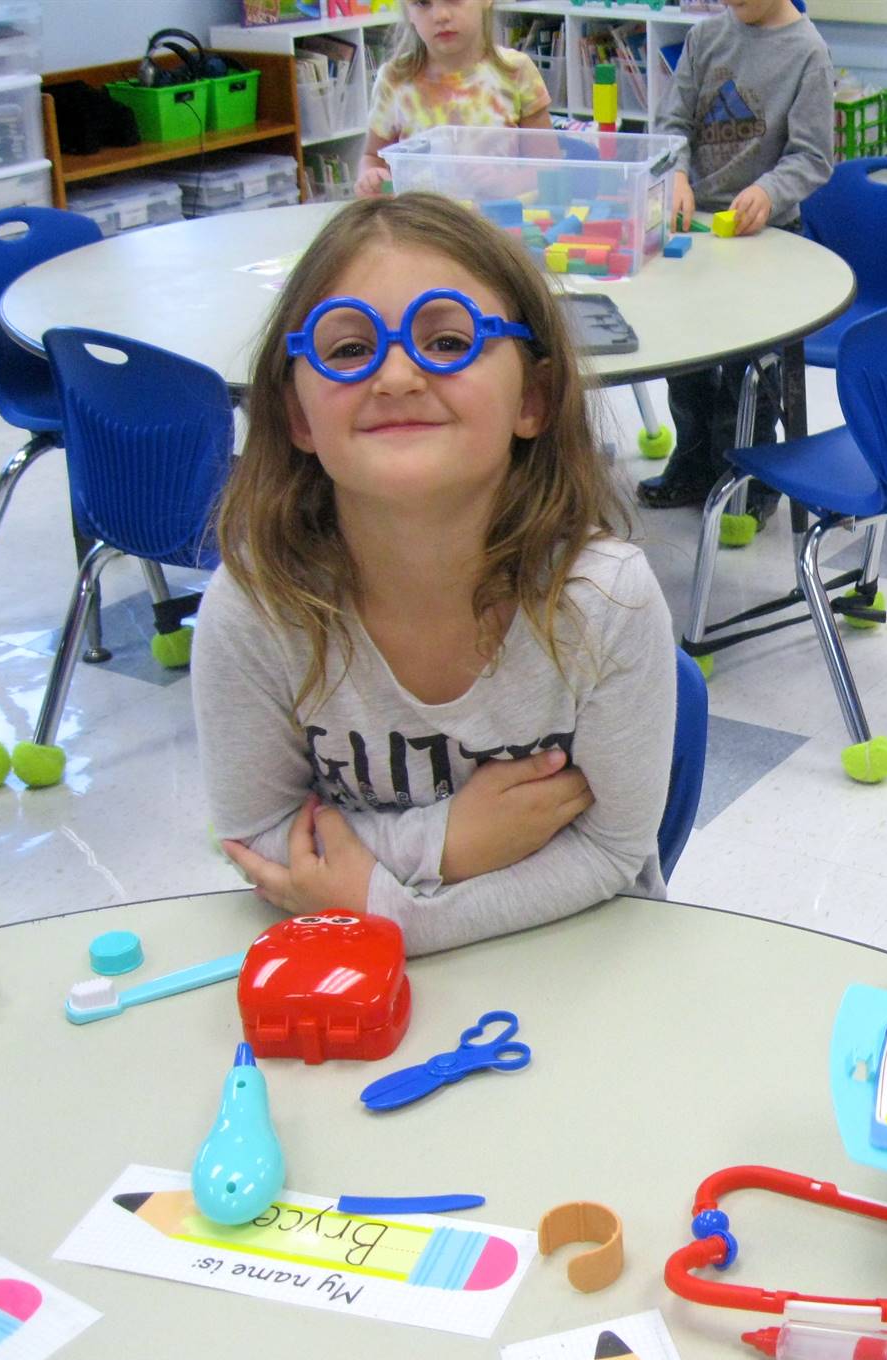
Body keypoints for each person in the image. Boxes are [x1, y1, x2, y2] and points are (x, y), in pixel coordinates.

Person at [195, 193, 676, 956]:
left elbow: (613, 852)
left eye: (448, 340)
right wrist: (447, 844)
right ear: (297, 417)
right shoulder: (257, 608)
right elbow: (260, 840)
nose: (395, 375)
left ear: (534, 398)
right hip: (351, 987)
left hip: (578, 966)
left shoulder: (606, 600)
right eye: (348, 350)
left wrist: (389, 914)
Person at [637, 0, 833, 512]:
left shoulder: (808, 51)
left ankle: (751, 472)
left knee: (751, 370)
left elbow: (812, 156)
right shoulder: (706, 39)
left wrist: (769, 192)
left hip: (768, 237)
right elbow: (671, 123)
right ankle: (694, 459)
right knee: (686, 355)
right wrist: (676, 172)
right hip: (696, 229)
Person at [356, 0, 551, 199]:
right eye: (422, 3)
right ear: (408, 12)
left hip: (496, 223)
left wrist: (504, 184)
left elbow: (549, 167)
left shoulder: (516, 71)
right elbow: (373, 157)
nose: (441, 16)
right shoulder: (394, 80)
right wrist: (372, 178)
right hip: (422, 221)